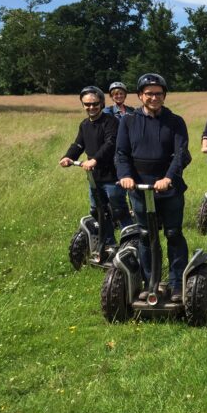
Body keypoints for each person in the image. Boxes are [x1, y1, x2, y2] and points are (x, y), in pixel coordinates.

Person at [116, 73, 191, 303]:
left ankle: (177, 284)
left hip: (169, 189)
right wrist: (125, 176)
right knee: (146, 236)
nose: (154, 97)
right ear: (140, 95)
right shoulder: (128, 121)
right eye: (149, 94)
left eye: (158, 94)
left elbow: (180, 155)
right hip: (139, 188)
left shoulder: (175, 121)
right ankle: (152, 283)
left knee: (173, 233)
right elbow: (121, 153)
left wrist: (168, 177)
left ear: (164, 96)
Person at [60, 86, 133, 248]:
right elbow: (79, 144)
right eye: (87, 104)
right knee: (97, 210)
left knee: (119, 210)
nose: (91, 107)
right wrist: (68, 157)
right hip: (94, 177)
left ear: (101, 103)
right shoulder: (85, 124)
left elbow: (110, 143)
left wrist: (94, 160)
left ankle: (130, 244)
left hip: (112, 175)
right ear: (83, 105)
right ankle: (109, 244)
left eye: (94, 104)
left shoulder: (111, 122)